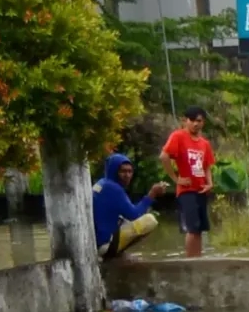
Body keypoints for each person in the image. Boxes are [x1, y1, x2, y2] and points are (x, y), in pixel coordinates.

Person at [91, 153, 171, 257]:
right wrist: (152, 194)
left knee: (122, 220)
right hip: (104, 246)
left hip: (96, 243)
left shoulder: (102, 183)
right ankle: (114, 254)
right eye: (123, 171)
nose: (127, 175)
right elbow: (135, 215)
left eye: (130, 171)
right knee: (149, 220)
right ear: (114, 171)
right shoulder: (114, 189)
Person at [159, 106, 214, 257]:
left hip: (201, 189)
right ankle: (191, 262)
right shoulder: (178, 136)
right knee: (192, 228)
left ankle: (198, 259)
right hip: (186, 190)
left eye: (199, 121)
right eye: (192, 121)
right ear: (185, 121)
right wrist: (176, 178)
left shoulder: (205, 144)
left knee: (199, 229)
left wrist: (210, 183)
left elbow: (207, 165)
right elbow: (164, 156)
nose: (196, 124)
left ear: (203, 122)